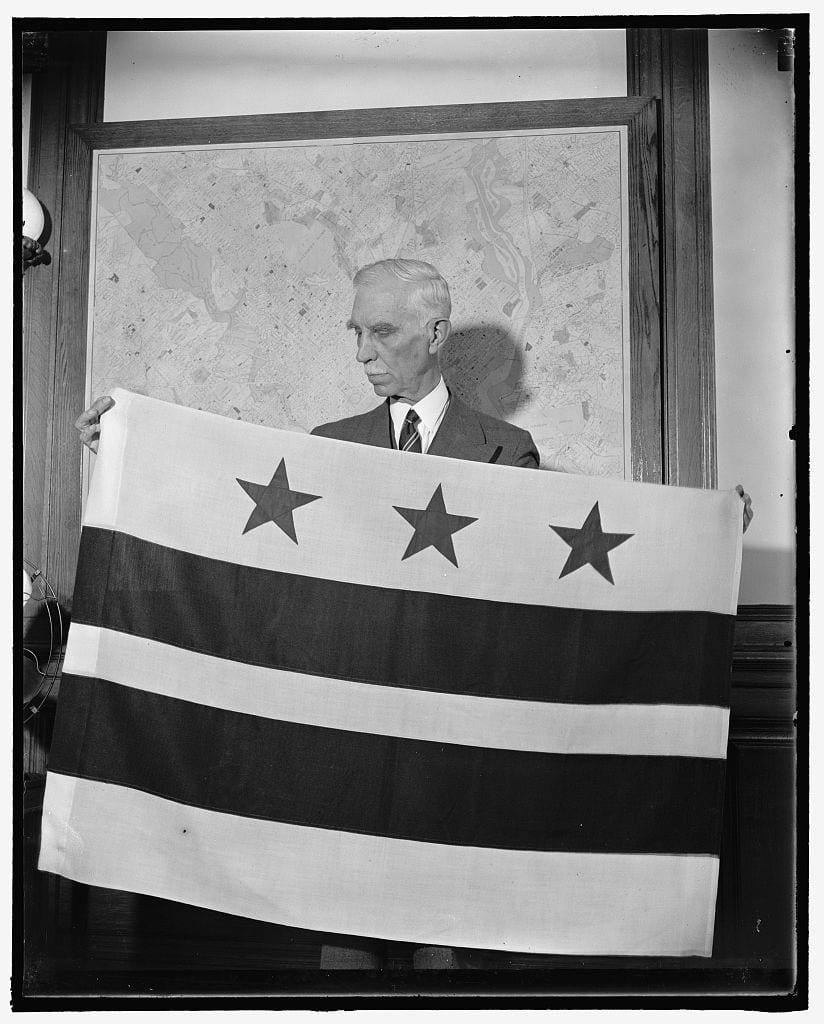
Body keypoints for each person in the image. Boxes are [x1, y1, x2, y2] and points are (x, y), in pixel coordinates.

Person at [75, 258, 754, 969]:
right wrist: (130, 451)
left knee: (443, 968)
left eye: (382, 331)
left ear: (434, 334)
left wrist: (697, 539)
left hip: (448, 763)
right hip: (346, 759)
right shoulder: (327, 446)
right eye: (354, 332)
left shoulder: (506, 451)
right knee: (340, 966)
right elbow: (236, 531)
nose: (361, 352)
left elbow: (555, 584)